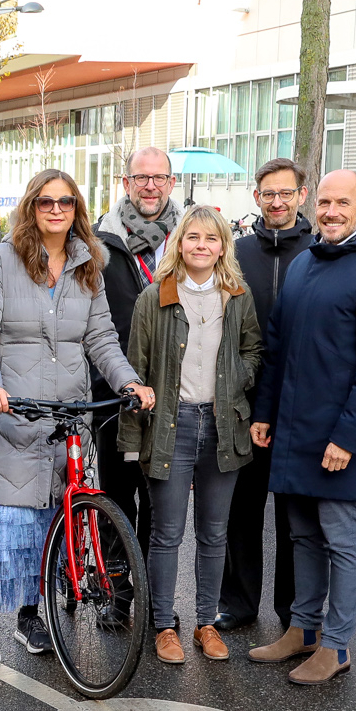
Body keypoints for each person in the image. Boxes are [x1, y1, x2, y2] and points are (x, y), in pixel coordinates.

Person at [0, 169, 155, 678]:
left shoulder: (90, 266)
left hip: (69, 417)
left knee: (50, 522)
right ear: (32, 207)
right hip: (14, 411)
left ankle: (31, 618)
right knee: (7, 527)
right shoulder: (3, 261)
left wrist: (129, 383)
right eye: (47, 201)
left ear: (77, 210)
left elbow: (102, 339)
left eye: (66, 202)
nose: (57, 210)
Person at [246, 170, 356, 685]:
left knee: (341, 539)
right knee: (303, 537)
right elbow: (279, 346)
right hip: (293, 429)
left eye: (344, 203)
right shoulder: (305, 263)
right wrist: (265, 412)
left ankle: (336, 646)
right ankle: (303, 629)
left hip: (338, 435)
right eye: (326, 202)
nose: (332, 211)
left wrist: (347, 438)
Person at [118, 206, 263, 665]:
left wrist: (239, 376)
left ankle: (205, 622)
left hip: (223, 425)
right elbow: (134, 370)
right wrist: (130, 441)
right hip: (171, 427)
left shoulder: (237, 294)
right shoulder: (155, 298)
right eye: (193, 237)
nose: (201, 245)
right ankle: (164, 625)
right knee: (166, 533)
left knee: (214, 533)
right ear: (180, 243)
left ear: (224, 246)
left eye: (212, 239)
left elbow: (252, 348)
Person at [219, 158, 313, 633]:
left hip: (299, 404)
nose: (277, 202)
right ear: (256, 198)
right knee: (242, 509)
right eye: (268, 194)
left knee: (295, 517)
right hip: (242, 401)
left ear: (301, 195)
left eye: (286, 193)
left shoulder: (319, 253)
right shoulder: (235, 254)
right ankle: (237, 603)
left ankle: (294, 611)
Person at [94, 146, 179, 551]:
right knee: (116, 499)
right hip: (114, 393)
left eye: (159, 178)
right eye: (141, 178)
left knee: (161, 505)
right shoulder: (98, 242)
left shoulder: (191, 241)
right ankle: (118, 596)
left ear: (171, 183)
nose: (150, 186)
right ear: (126, 184)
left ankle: (154, 602)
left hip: (174, 395)